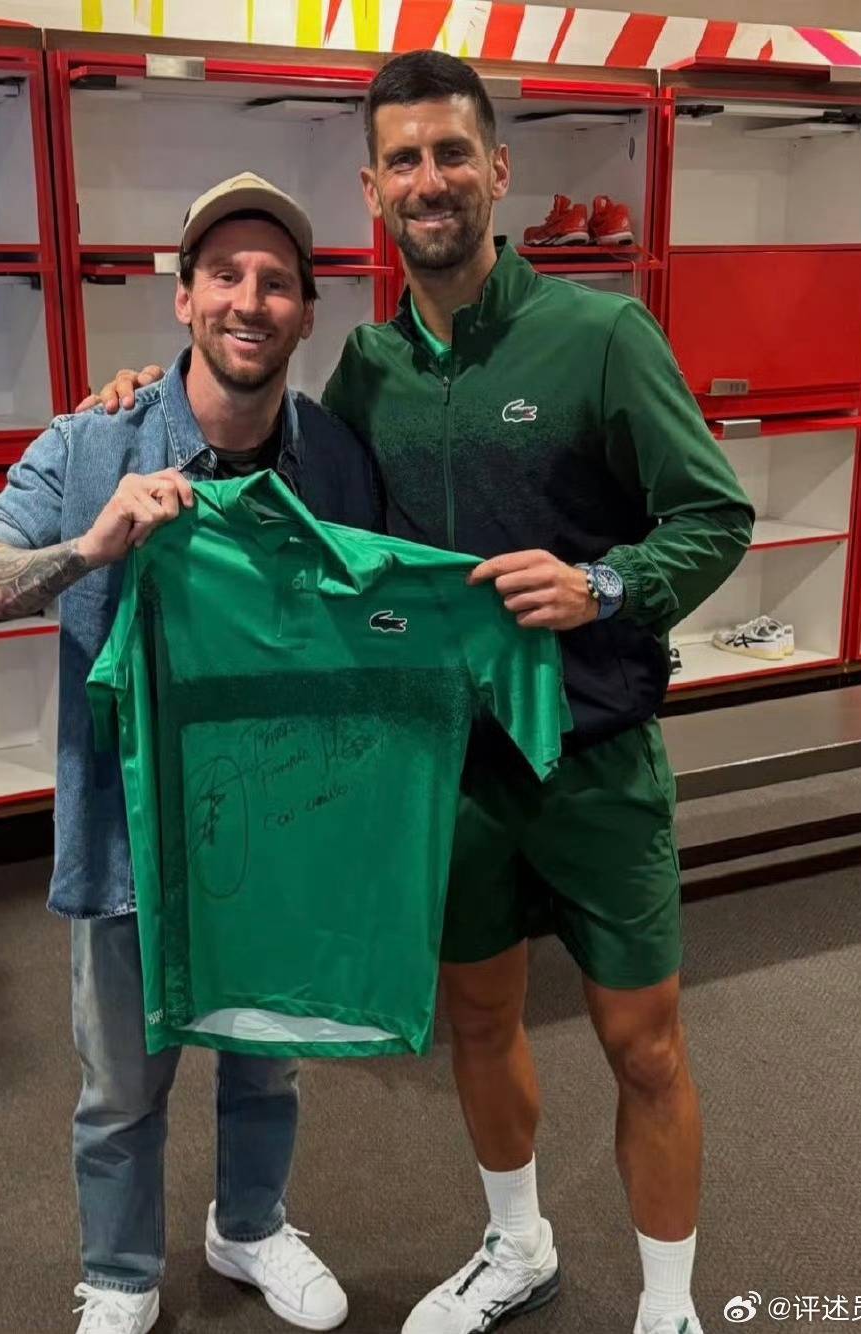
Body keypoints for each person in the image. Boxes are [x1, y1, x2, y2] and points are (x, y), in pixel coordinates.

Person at [88, 51, 755, 1334]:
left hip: (596, 760)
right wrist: (141, 412)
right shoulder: (369, 369)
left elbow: (714, 514)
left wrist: (605, 585)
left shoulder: (600, 337)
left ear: (497, 169)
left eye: (452, 153)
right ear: (373, 189)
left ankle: (670, 1306)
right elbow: (280, 487)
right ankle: (518, 1246)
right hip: (443, 771)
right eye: (404, 160)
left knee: (646, 1045)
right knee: (481, 1023)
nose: (430, 180)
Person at [0, 172, 383, 1334]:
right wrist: (88, 548)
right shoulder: (92, 443)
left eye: (276, 281)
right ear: (184, 298)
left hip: (274, 825)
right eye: (225, 275)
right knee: (121, 1085)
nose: (250, 300)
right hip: (125, 835)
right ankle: (122, 1271)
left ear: (307, 312)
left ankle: (250, 1223)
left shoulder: (337, 460)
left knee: (267, 1057)